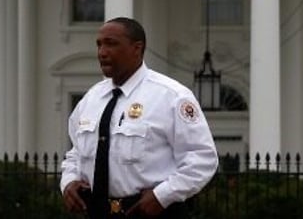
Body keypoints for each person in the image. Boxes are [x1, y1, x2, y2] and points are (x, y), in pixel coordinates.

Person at [60, 17, 219, 218]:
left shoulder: (171, 96)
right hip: (97, 211)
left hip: (152, 212)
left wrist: (163, 195)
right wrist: (69, 181)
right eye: (99, 44)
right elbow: (75, 153)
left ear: (137, 48)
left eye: (111, 44)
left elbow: (202, 158)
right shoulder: (92, 99)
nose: (102, 52)